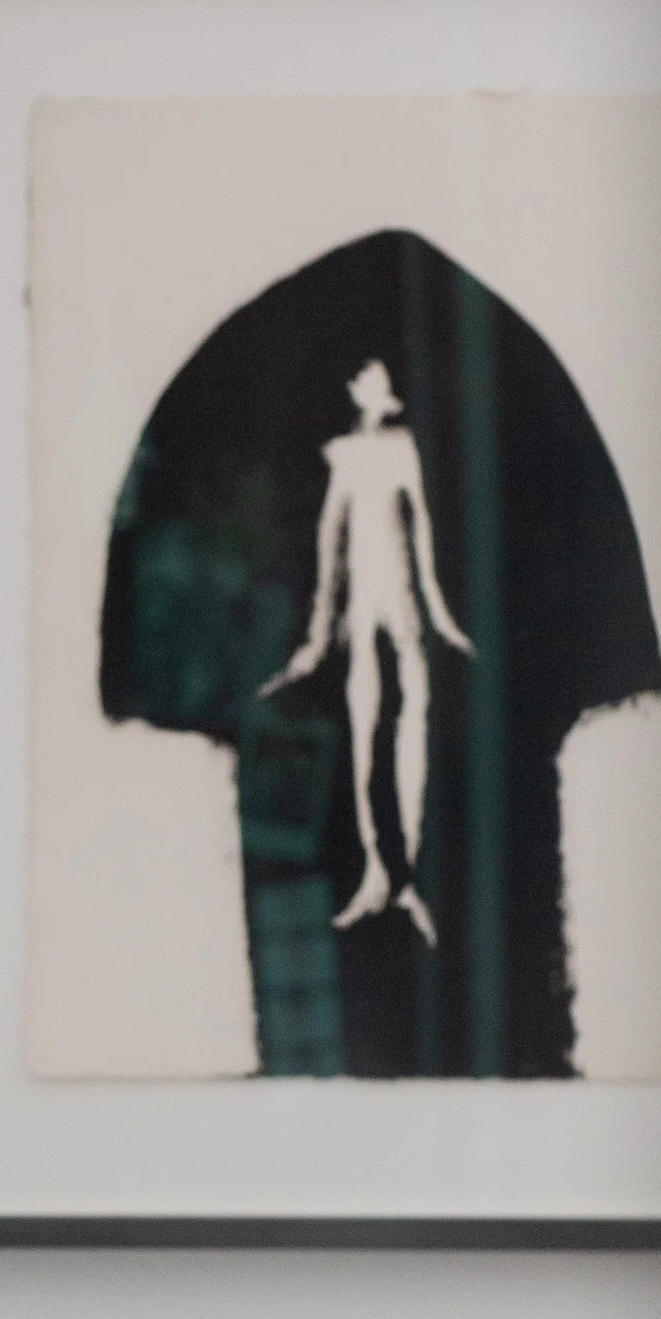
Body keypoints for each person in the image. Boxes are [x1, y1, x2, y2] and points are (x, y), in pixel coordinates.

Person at [259, 357, 474, 946]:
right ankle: (379, 868)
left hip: (397, 597)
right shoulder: (346, 454)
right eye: (369, 386)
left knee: (412, 714)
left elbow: (420, 525)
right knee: (364, 723)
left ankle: (408, 868)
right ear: (358, 394)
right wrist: (318, 630)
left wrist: (438, 609)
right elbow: (330, 536)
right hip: (362, 599)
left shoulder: (402, 448)